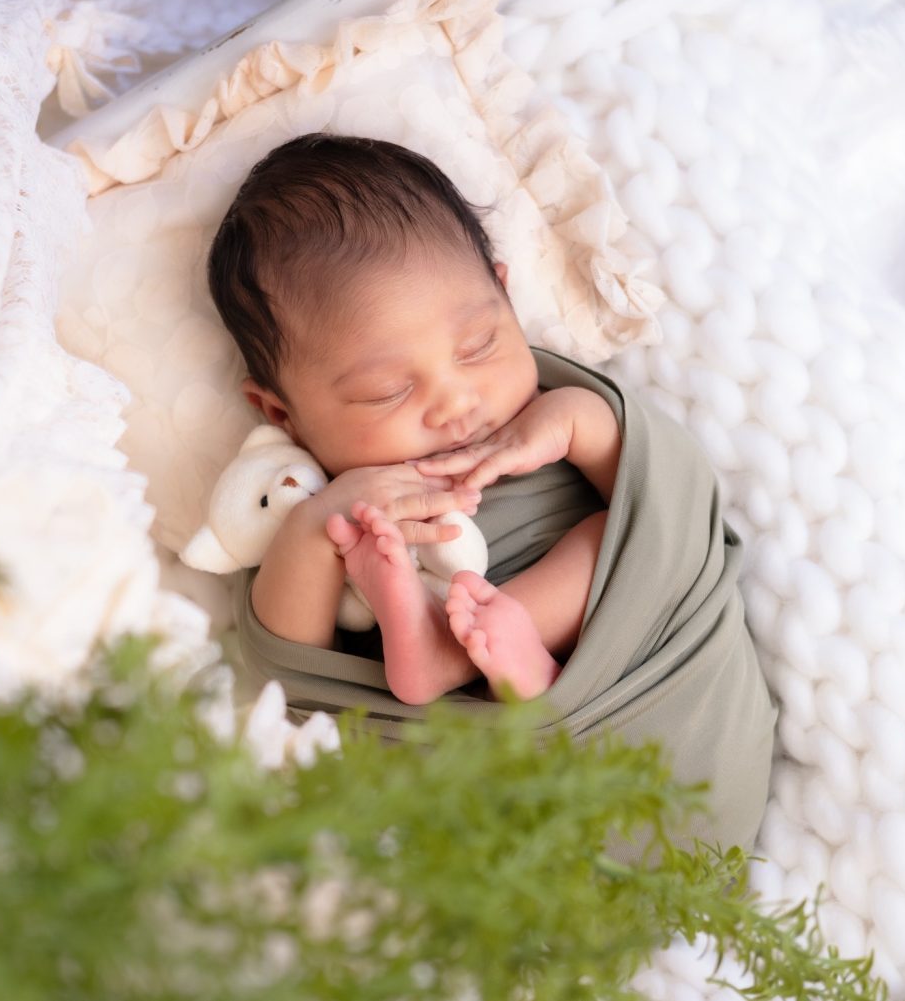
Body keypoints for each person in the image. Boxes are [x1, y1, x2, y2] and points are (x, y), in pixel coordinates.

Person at [208, 132, 616, 706]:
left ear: (506, 296)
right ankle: (483, 665)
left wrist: (578, 424)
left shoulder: (552, 402)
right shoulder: (310, 496)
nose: (455, 403)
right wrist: (318, 525)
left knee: (608, 540)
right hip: (478, 759)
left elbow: (665, 505)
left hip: (642, 681)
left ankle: (447, 654)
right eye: (387, 393)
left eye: (477, 346)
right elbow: (293, 675)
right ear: (283, 414)